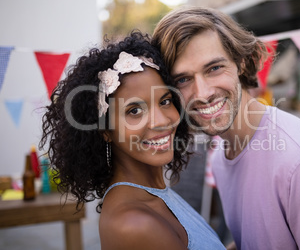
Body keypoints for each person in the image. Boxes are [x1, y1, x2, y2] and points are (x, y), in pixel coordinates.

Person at [152, 6, 300, 249]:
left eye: (214, 68)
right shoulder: (223, 157)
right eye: (183, 79)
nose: (202, 94)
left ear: (242, 64)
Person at [39, 30, 226, 250]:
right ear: (104, 130)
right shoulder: (134, 224)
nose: (161, 121)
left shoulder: (154, 194)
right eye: (135, 110)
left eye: (165, 101)